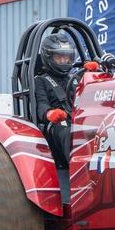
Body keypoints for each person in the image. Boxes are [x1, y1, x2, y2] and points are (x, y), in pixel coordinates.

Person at [34, 31, 79, 166]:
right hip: (56, 124)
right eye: (59, 57)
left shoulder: (77, 78)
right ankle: (76, 168)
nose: (63, 61)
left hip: (78, 119)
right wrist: (50, 113)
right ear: (49, 57)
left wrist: (93, 75)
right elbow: (41, 104)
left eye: (66, 57)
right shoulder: (40, 80)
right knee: (67, 131)